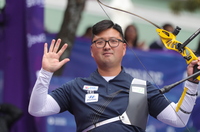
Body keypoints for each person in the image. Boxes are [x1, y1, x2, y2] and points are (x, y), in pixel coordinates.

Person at [29, 20, 200, 132]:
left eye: (113, 41)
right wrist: (46, 73)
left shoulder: (142, 87)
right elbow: (37, 109)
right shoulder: (76, 86)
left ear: (124, 48)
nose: (107, 46)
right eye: (100, 42)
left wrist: (192, 83)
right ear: (91, 51)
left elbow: (178, 120)